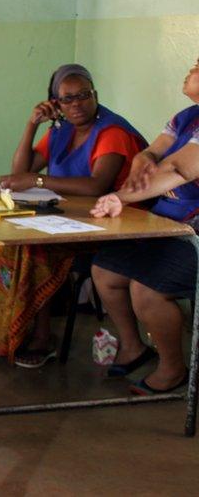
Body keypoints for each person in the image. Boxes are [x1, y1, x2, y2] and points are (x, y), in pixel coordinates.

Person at [0, 64, 146, 367]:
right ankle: (2, 327)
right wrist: (32, 124)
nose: (76, 105)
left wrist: (38, 181)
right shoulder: (61, 130)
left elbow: (97, 185)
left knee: (35, 249)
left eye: (83, 96)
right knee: (0, 242)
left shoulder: (112, 132)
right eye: (66, 99)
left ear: (95, 95)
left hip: (118, 224)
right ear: (55, 104)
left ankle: (41, 337)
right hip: (77, 218)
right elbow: (21, 171)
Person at [90, 57, 199, 395]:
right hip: (170, 225)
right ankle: (133, 346)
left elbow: (178, 170)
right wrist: (144, 160)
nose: (191, 70)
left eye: (198, 66)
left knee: (146, 288)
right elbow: (153, 154)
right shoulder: (186, 118)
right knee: (105, 269)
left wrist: (120, 195)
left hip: (193, 234)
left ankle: (172, 368)